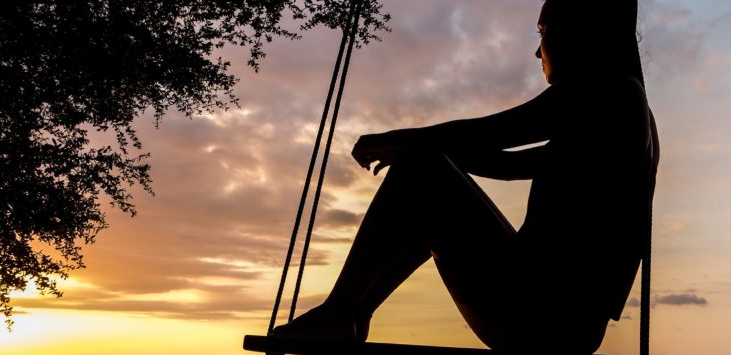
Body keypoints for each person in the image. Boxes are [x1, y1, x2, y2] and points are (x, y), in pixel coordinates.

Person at [272, 1, 660, 353]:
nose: (537, 51)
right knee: (427, 173)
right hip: (563, 325)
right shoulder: (623, 112)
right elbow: (510, 165)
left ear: (583, 32)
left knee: (420, 170)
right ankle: (353, 315)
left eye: (543, 32)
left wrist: (406, 142)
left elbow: (501, 131)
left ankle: (341, 311)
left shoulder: (608, 90)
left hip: (538, 314)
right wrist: (431, 152)